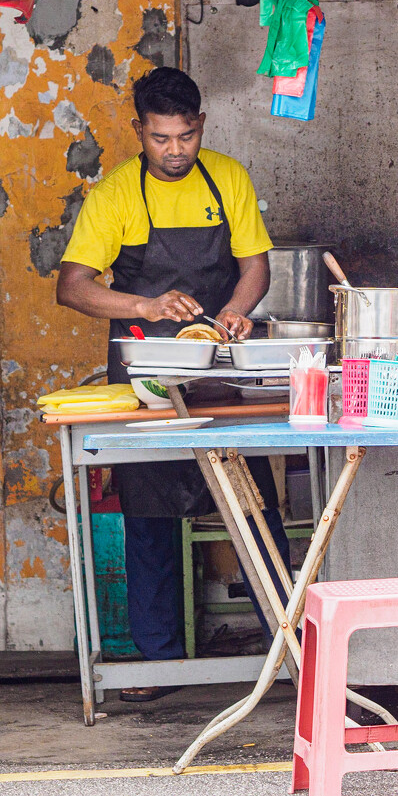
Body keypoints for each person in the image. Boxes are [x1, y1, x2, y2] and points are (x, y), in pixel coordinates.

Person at [57, 67, 291, 701]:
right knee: (151, 507)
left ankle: (288, 645)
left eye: (185, 136)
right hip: (146, 377)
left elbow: (255, 267)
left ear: (201, 128)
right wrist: (147, 307)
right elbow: (73, 287)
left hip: (219, 368)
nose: (175, 150)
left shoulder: (228, 178)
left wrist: (240, 310)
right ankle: (157, 660)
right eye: (161, 138)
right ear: (140, 131)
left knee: (252, 504)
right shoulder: (115, 195)